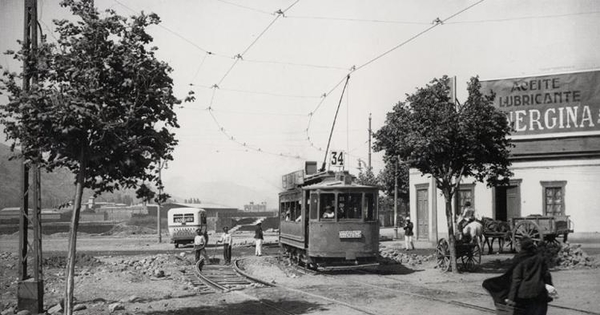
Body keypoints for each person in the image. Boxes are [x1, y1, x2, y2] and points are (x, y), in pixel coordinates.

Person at [483, 237, 554, 315]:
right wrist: (550, 290)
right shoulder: (540, 258)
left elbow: (516, 281)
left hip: (525, 295)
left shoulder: (520, 259)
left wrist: (511, 299)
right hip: (540, 293)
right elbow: (547, 275)